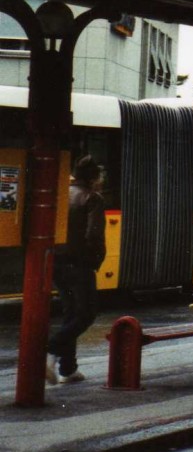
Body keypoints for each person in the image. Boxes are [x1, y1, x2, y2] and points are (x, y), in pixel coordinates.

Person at [46, 155, 106, 385]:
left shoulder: (63, 194)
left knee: (71, 312)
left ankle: (68, 368)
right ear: (92, 178)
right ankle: (50, 350)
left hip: (57, 262)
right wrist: (95, 259)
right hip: (79, 264)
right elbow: (94, 234)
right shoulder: (93, 198)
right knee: (86, 314)